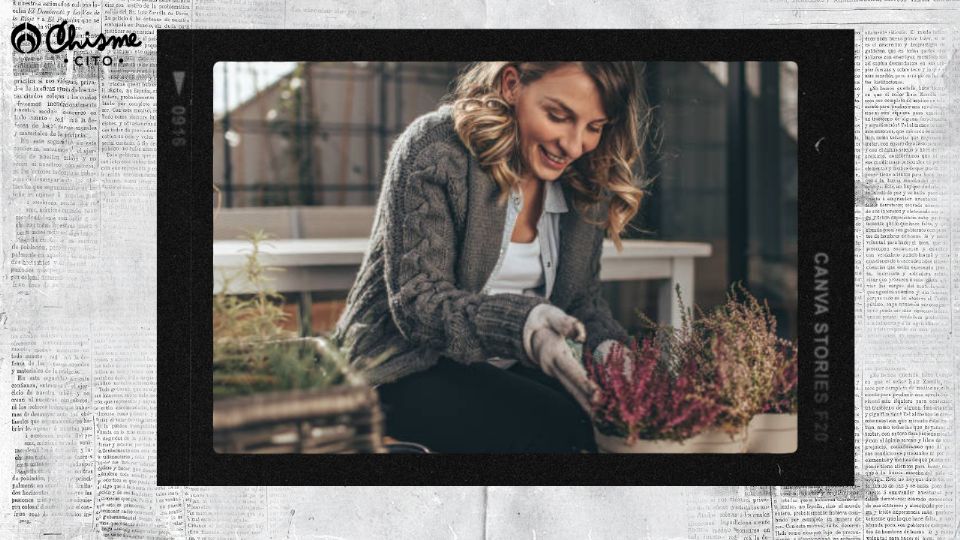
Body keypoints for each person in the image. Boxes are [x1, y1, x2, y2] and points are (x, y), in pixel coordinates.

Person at [333, 61, 650, 453]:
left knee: (615, 426)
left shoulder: (586, 177)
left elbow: (582, 301)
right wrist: (525, 328)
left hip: (509, 364)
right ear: (512, 84)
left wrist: (608, 353)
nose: (574, 144)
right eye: (558, 116)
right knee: (558, 431)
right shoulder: (436, 148)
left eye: (594, 127)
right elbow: (419, 304)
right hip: (403, 365)